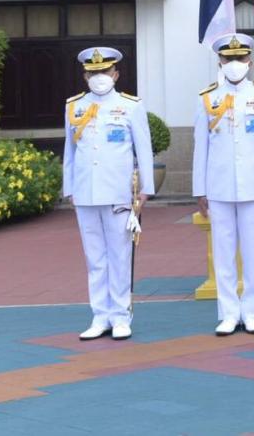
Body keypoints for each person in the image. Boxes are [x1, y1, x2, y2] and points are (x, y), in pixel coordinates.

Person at [192, 33, 254, 336]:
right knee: (222, 254)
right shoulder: (207, 98)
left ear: (250, 61)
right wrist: (200, 190)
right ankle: (228, 313)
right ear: (220, 61)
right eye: (228, 58)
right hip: (219, 187)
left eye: (240, 58)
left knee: (252, 253)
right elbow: (200, 146)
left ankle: (251, 311)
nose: (234, 63)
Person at [63, 47, 154, 340]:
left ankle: (121, 316)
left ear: (115, 74)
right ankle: (100, 316)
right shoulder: (74, 106)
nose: (99, 77)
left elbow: (144, 150)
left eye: (104, 71)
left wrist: (146, 189)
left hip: (118, 193)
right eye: (93, 73)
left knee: (120, 256)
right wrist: (69, 188)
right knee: (95, 259)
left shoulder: (130, 106)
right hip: (86, 192)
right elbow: (70, 150)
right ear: (85, 76)